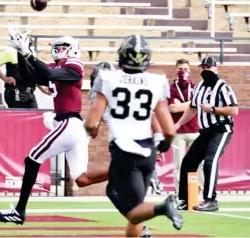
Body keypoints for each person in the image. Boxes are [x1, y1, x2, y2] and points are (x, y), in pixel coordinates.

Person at [0, 30, 108, 225]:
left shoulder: (74, 65)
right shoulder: (56, 66)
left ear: (72, 50)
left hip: (69, 124)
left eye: (62, 47)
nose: (58, 50)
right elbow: (33, 75)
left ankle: (19, 211)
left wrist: (29, 54)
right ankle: (122, 170)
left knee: (32, 159)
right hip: (73, 127)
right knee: (81, 179)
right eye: (57, 47)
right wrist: (21, 53)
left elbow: (47, 73)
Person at [84, 34, 183, 237]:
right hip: (147, 152)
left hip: (124, 151)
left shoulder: (109, 79)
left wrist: (90, 131)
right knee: (132, 207)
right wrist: (164, 144)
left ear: (122, 56)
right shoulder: (156, 80)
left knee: (126, 204)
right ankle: (145, 229)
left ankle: (162, 208)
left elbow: (91, 123)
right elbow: (170, 130)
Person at [176, 56, 238, 211]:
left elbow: (234, 110)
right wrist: (176, 124)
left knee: (210, 160)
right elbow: (192, 109)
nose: (205, 70)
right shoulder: (199, 87)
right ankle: (185, 200)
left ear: (215, 69)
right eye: (203, 68)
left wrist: (213, 109)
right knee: (188, 162)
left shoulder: (222, 86)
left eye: (208, 67)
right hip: (205, 132)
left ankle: (211, 200)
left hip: (221, 129)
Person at [168, 59, 204, 194]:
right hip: (179, 133)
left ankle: (206, 193)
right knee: (179, 164)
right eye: (180, 69)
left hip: (195, 130)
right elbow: (172, 108)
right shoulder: (171, 88)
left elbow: (198, 106)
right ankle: (180, 193)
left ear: (190, 70)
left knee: (200, 162)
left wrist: (183, 105)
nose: (183, 72)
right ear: (176, 70)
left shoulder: (195, 87)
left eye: (186, 69)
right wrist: (191, 104)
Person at [0, 34, 50, 108]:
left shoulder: (29, 54)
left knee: (34, 116)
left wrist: (42, 89)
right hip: (16, 91)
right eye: (29, 38)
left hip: (30, 93)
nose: (32, 40)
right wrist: (4, 78)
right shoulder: (11, 51)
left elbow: (33, 74)